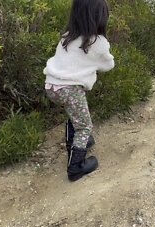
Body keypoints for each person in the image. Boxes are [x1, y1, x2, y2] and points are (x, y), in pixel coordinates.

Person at [43, 0, 115, 181]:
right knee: (84, 126)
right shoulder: (97, 42)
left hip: (51, 86)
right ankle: (75, 166)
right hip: (70, 89)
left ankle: (72, 144)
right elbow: (108, 65)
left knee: (74, 112)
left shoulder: (67, 36)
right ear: (100, 18)